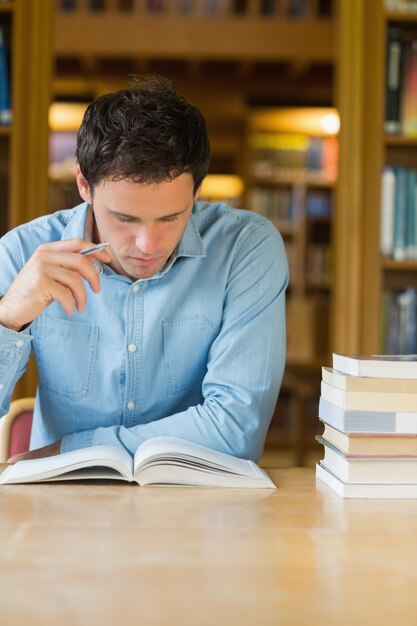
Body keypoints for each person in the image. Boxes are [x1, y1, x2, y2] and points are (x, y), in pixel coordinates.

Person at [0, 75, 288, 463]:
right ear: (84, 185)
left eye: (171, 217)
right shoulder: (23, 251)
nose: (147, 246)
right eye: (124, 217)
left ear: (197, 191)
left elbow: (236, 429)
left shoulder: (245, 248)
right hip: (62, 509)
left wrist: (72, 451)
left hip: (199, 508)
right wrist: (7, 318)